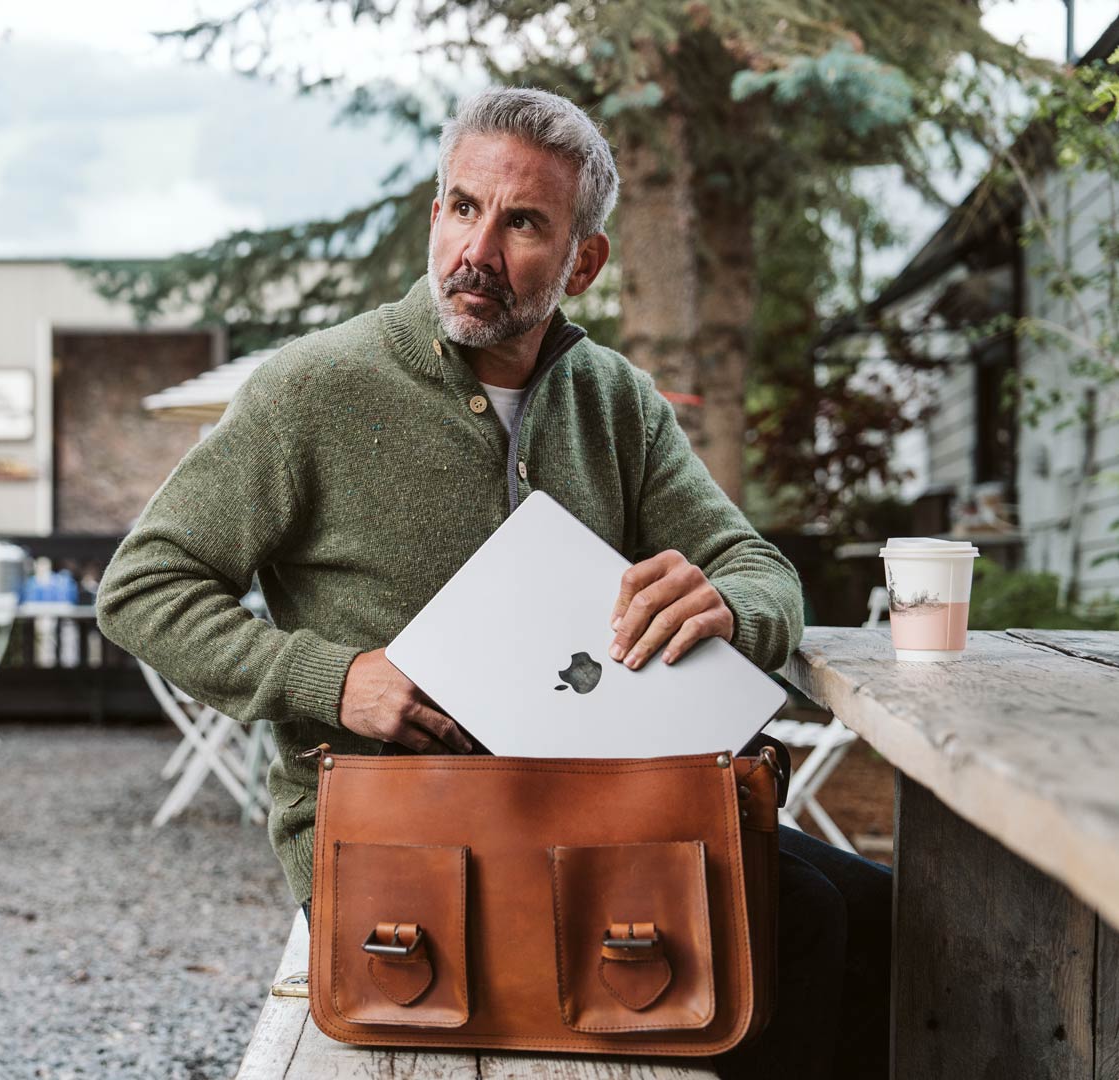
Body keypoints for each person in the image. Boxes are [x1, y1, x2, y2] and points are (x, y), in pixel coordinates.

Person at [96, 86, 890, 1080]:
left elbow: (761, 570)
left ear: (583, 261)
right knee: (804, 924)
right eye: (464, 208)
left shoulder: (614, 401)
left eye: (522, 223)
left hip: (600, 802)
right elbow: (141, 585)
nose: (476, 250)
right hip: (401, 834)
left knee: (892, 914)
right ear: (435, 215)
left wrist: (729, 602)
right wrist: (336, 679)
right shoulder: (313, 390)